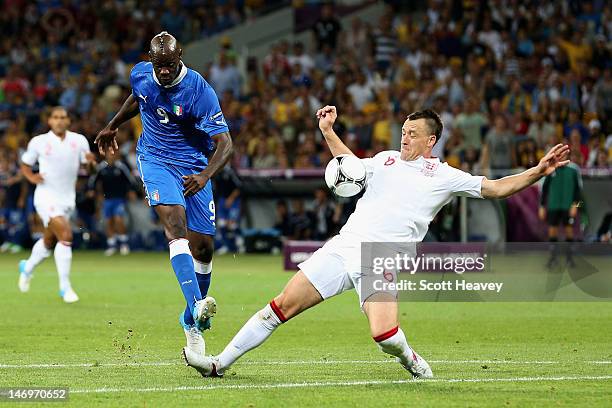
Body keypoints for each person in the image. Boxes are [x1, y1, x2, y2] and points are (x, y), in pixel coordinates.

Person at [183, 105, 571, 378]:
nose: (404, 137)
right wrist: (328, 132)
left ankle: (411, 359)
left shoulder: (444, 175)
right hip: (345, 244)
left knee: (384, 337)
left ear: (431, 140)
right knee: (280, 306)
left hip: (382, 256)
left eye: (413, 133)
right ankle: (219, 363)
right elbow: (349, 166)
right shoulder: (384, 160)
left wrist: (538, 170)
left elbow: (496, 187)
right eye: (403, 131)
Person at [95, 32, 233, 356]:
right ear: (151, 60)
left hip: (195, 167)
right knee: (175, 226)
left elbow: (226, 144)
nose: (165, 72)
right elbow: (138, 97)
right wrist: (112, 124)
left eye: (170, 65)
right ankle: (197, 307)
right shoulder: (141, 73)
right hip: (155, 160)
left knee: (204, 250)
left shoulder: (199, 90)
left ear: (180, 56)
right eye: (160, 66)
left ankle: (189, 320)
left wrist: (205, 175)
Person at [18, 106, 94, 303]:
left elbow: (87, 169)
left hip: (67, 199)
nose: (60, 121)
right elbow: (25, 164)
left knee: (50, 241)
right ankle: (65, 287)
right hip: (45, 197)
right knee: (66, 235)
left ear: (69, 121)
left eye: (63, 118)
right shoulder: (39, 142)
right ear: (49, 121)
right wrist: (32, 177)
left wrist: (91, 164)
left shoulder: (79, 141)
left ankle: (27, 268)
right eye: (56, 117)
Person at [87, 153, 137, 256]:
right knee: (108, 221)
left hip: (120, 199)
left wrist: (131, 191)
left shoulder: (121, 166)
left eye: (113, 155)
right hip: (107, 199)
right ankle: (112, 245)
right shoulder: (102, 167)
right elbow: (93, 180)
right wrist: (91, 190)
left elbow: (130, 180)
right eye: (109, 155)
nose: (111, 157)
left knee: (118, 219)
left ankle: (124, 243)